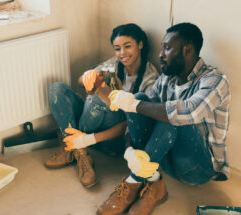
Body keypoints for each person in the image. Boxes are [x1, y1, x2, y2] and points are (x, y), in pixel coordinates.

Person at [97, 22, 230, 215]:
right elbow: (140, 111)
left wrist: (132, 104)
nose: (160, 54)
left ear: (187, 50)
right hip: (166, 160)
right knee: (142, 99)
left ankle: (133, 181)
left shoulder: (215, 80)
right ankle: (155, 184)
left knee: (170, 114)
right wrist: (128, 151)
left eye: (166, 48)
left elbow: (189, 113)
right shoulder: (167, 79)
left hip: (198, 168)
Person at [44, 23, 159, 189]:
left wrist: (87, 139)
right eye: (117, 49)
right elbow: (80, 82)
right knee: (57, 89)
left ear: (140, 45)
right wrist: (89, 77)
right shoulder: (114, 64)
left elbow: (129, 126)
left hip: (112, 141)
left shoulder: (150, 80)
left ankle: (75, 146)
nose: (122, 53)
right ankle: (78, 151)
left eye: (127, 47)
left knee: (100, 93)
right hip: (91, 123)